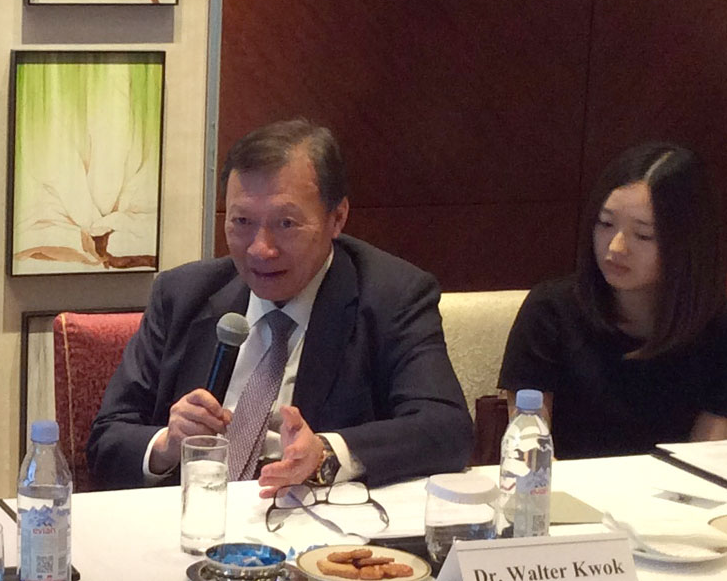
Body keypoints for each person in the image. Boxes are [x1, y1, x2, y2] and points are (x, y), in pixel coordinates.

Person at [88, 119, 473, 495]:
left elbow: (445, 428)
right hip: (194, 519)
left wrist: (326, 454)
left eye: (286, 224)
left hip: (315, 524)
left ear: (337, 218)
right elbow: (107, 439)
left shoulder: (392, 296)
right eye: (242, 221)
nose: (261, 249)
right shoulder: (181, 295)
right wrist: (167, 445)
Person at [498, 142, 727, 458]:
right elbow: (529, 454)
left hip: (679, 489)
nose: (616, 247)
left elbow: (705, 460)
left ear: (688, 243)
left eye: (643, 235)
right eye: (605, 224)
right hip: (566, 486)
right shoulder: (551, 311)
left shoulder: (717, 326)